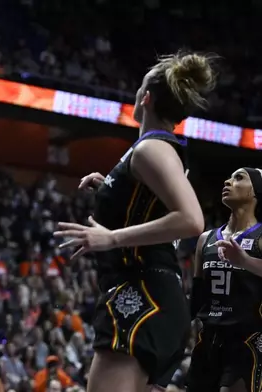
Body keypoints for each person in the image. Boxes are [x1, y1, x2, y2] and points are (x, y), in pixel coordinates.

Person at [55, 51, 217, 392]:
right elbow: (155, 206)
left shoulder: (150, 149)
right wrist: (112, 189)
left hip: (142, 293)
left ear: (146, 98)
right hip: (156, 296)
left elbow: (191, 220)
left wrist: (112, 238)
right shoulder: (154, 151)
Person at [186, 168, 262, 392]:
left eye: (239, 178)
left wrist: (245, 261)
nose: (228, 181)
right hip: (207, 340)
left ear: (255, 192)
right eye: (229, 176)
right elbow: (197, 298)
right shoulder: (205, 240)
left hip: (246, 339)